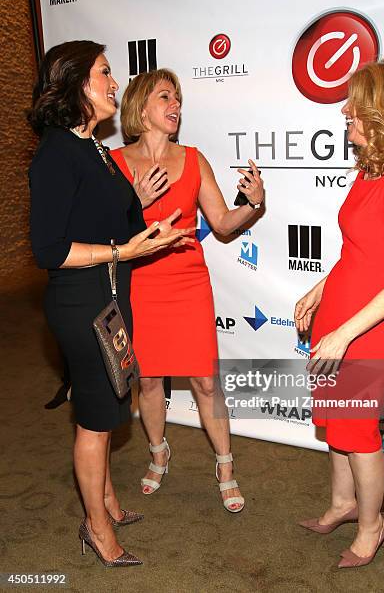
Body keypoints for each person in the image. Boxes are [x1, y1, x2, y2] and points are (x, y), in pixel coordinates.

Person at [28, 41, 194, 567]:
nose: (115, 83)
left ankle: (108, 502)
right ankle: (97, 530)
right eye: (104, 72)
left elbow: (112, 224)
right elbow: (50, 249)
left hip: (111, 297)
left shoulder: (97, 149)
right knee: (97, 420)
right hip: (81, 302)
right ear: (78, 83)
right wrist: (126, 249)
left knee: (108, 403)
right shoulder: (57, 151)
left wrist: (147, 223)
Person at [294, 59, 384, 568]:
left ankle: (373, 525)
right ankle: (342, 503)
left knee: (357, 431)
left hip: (370, 328)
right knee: (335, 420)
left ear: (383, 110)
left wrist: (342, 336)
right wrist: (320, 289)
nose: (344, 109)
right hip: (340, 314)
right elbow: (357, 251)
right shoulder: (371, 169)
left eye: (354, 102)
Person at [110, 68, 264, 512]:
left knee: (204, 379)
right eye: (165, 98)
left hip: (187, 281)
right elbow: (104, 234)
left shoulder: (194, 159)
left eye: (178, 99)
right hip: (140, 281)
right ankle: (159, 453)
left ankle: (225, 466)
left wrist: (252, 204)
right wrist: (133, 205)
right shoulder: (115, 164)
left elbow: (221, 224)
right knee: (150, 378)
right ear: (141, 109)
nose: (175, 105)